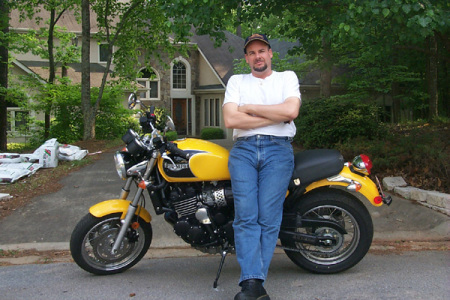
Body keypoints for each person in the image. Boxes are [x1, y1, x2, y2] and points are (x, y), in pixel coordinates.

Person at [223, 33, 301, 300]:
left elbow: (291, 112)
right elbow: (231, 119)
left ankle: (253, 284)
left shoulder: (286, 77)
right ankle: (252, 284)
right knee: (246, 216)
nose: (257, 56)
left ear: (270, 53)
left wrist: (252, 109)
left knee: (268, 218)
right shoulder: (237, 81)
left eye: (261, 50)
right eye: (251, 52)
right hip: (243, 151)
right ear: (246, 58)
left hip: (278, 151)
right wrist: (274, 117)